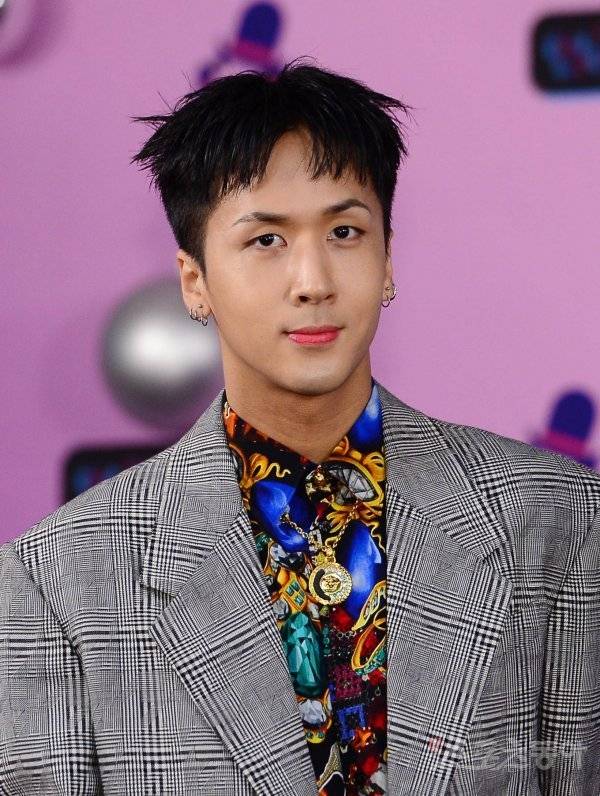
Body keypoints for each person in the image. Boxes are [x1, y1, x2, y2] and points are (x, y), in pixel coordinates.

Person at [1, 59, 599, 796]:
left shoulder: (556, 518)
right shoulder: (59, 581)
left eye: (345, 231)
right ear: (195, 280)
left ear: (387, 258)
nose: (313, 282)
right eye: (266, 241)